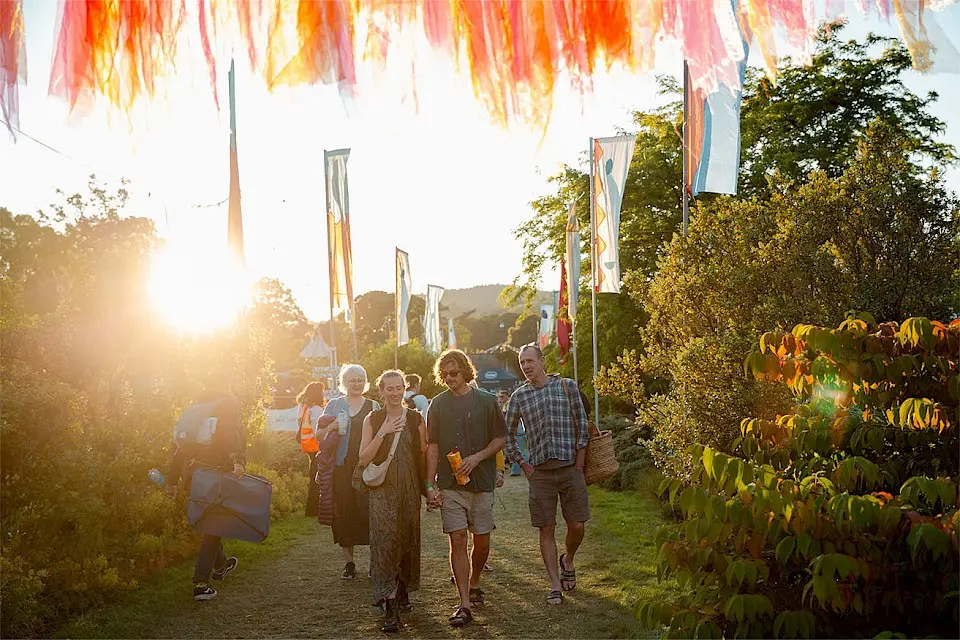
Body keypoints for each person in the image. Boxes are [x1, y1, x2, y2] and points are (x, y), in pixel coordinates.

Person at [425, 350, 506, 628]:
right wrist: (429, 484)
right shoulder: (436, 405)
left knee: (481, 543)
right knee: (457, 539)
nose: (449, 378)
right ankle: (464, 603)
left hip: (481, 482)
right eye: (445, 374)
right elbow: (432, 446)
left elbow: (500, 438)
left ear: (465, 372)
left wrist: (477, 458)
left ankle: (474, 582)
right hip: (450, 484)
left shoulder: (486, 401)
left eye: (454, 373)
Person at [504, 344, 590, 607]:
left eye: (530, 360)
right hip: (540, 473)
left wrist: (578, 465)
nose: (527, 366)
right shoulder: (518, 396)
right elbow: (507, 436)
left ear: (542, 361)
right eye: (522, 363)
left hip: (569, 468)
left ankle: (569, 559)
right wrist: (525, 465)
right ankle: (554, 583)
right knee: (546, 529)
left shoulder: (567, 386)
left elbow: (582, 424)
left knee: (577, 525)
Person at [166, 373, 245, 601]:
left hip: (193, 473)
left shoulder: (198, 407)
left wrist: (172, 479)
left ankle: (221, 564)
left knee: (209, 521)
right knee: (215, 525)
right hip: (215, 473)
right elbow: (231, 432)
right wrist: (237, 459)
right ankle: (201, 584)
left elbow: (179, 447)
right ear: (226, 384)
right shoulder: (228, 403)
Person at [358, 369, 427, 633]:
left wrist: (428, 488)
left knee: (408, 541)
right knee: (385, 543)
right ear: (382, 391)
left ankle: (402, 591)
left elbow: (422, 454)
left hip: (409, 491)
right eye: (390, 388)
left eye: (399, 388)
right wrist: (383, 431)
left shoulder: (416, 419)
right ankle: (389, 607)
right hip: (382, 492)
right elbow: (363, 458)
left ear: (404, 388)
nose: (395, 393)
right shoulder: (373, 419)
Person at [315, 364, 380, 579]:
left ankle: (375, 564)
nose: (356, 383)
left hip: (365, 467)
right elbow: (318, 435)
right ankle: (349, 564)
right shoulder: (334, 405)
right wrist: (332, 427)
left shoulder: (373, 405)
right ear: (344, 383)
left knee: (370, 513)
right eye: (352, 380)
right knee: (343, 514)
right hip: (341, 469)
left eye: (360, 380)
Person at [295, 381, 326, 517]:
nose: (324, 394)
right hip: (316, 446)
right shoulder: (317, 410)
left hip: (308, 446)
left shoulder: (303, 407)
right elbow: (317, 430)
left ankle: (312, 509)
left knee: (313, 476)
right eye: (322, 392)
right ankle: (313, 509)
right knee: (317, 478)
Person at [497, 388, 526, 476]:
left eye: (502, 397)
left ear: (507, 396)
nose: (500, 399)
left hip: (517, 432)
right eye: (499, 397)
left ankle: (516, 471)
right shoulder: (504, 405)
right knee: (514, 451)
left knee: (519, 451)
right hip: (512, 432)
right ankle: (515, 470)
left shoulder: (511, 403)